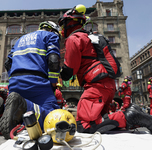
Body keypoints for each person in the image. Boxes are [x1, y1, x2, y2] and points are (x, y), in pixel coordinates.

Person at [58, 4, 152, 134]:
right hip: (107, 86)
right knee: (102, 120)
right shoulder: (91, 37)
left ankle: (129, 116)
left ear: (69, 23)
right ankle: (132, 117)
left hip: (96, 87)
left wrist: (59, 71)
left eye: (63, 24)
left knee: (84, 124)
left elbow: (70, 70)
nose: (62, 29)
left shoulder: (74, 38)